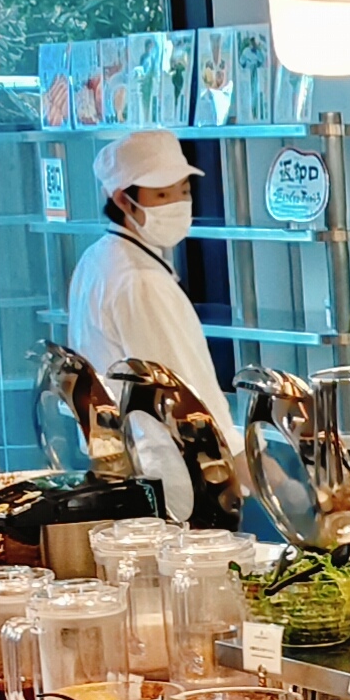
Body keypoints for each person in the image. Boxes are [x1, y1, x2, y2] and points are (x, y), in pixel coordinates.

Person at [65, 129, 234, 478]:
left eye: (183, 192)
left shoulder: (99, 258)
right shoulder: (140, 280)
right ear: (124, 200)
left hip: (128, 464)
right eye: (161, 194)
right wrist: (256, 472)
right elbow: (188, 394)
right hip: (170, 473)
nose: (177, 204)